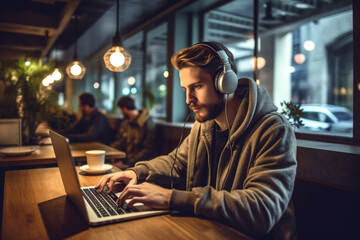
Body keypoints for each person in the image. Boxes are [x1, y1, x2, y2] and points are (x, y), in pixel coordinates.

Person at [96, 42, 297, 240]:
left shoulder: (273, 130)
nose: (188, 99)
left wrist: (171, 198)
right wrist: (135, 172)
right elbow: (176, 162)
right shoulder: (204, 126)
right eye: (185, 89)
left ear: (226, 83)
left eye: (197, 86)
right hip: (210, 230)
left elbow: (262, 210)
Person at [110, 96, 158, 169]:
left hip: (141, 165)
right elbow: (120, 142)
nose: (120, 112)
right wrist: (112, 154)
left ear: (124, 109)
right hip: (127, 161)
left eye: (120, 109)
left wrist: (128, 164)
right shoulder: (126, 123)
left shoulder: (147, 123)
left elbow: (148, 150)